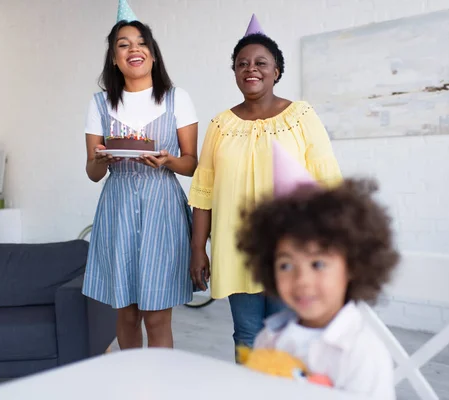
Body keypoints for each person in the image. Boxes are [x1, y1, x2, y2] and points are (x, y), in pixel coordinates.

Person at [188, 14, 342, 351]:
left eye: (260, 62)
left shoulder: (300, 116)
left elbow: (328, 184)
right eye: (242, 64)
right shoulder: (220, 125)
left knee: (288, 335)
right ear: (235, 73)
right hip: (236, 247)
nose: (250, 69)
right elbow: (204, 192)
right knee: (246, 334)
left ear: (276, 71)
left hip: (291, 248)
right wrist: (198, 248)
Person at [235, 141, 399, 397]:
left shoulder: (362, 353)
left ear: (354, 265)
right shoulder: (268, 340)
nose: (302, 280)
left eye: (318, 264)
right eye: (286, 265)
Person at [82, 0, 198, 349]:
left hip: (163, 209)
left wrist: (167, 161)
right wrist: (103, 159)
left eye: (141, 42)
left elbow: (191, 163)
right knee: (127, 313)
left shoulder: (178, 99)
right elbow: (92, 172)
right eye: (123, 44)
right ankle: (131, 383)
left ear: (153, 54)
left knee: (158, 314)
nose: (134, 48)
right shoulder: (99, 104)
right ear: (115, 59)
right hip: (117, 209)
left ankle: (159, 385)